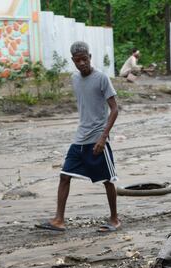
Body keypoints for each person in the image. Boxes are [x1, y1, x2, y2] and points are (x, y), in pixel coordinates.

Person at [35, 41, 120, 233]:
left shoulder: (102, 79)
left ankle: (114, 219)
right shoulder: (74, 79)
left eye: (84, 59)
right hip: (80, 139)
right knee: (65, 176)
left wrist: (103, 137)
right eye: (77, 60)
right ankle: (59, 220)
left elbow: (114, 109)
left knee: (107, 180)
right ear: (73, 61)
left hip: (98, 139)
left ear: (90, 57)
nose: (81, 63)